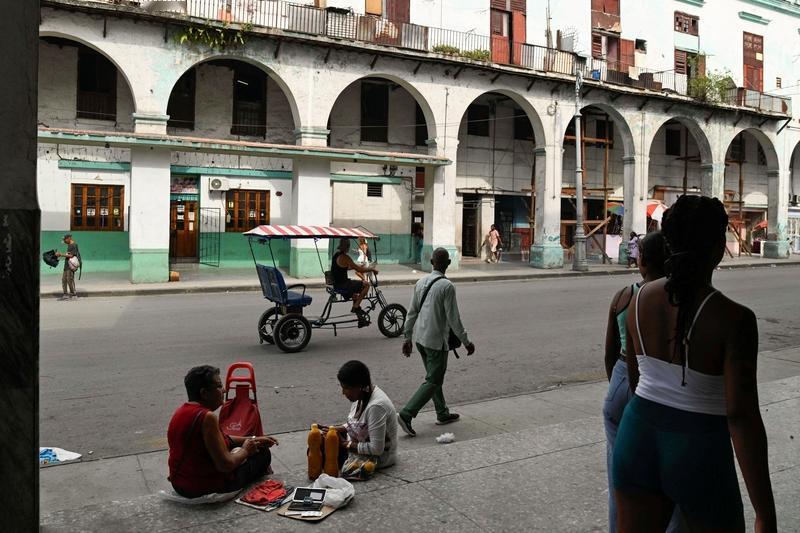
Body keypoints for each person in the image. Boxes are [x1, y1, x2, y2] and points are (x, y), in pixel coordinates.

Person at [613, 195, 776, 532]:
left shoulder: (638, 299)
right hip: (697, 448)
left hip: (637, 434)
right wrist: (764, 511)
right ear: (718, 248)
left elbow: (634, 378)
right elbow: (741, 416)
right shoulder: (735, 319)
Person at [603, 231, 685, 533]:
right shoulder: (678, 298)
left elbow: (610, 354)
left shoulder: (625, 296)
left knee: (619, 477)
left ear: (642, 261)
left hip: (622, 381)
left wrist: (620, 386)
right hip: (661, 385)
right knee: (669, 472)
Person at [167, 365, 279, 498]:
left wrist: (256, 438)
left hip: (180, 484)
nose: (224, 391)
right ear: (204, 393)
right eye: (219, 387)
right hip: (202, 487)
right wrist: (245, 450)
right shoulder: (207, 417)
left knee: (254, 447)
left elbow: (223, 438)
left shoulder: (181, 412)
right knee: (263, 454)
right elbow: (225, 465)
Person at [398, 247, 475, 437]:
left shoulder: (421, 282)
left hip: (420, 340)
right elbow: (453, 319)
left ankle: (442, 412)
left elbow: (412, 312)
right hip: (436, 343)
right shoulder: (447, 286)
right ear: (448, 263)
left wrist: (407, 337)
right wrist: (466, 341)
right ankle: (407, 414)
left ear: (432, 262)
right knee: (433, 379)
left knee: (434, 378)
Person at [318, 361, 398, 474]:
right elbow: (359, 424)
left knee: (329, 457)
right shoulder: (362, 396)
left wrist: (345, 444)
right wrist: (338, 428)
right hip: (361, 444)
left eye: (346, 388)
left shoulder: (376, 407)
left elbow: (377, 449)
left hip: (378, 459)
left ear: (359, 386)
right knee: (322, 443)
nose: (343, 392)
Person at [331, 238, 378, 323]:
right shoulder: (345, 257)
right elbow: (360, 269)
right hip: (344, 284)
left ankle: (360, 319)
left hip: (337, 284)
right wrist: (372, 269)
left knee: (355, 296)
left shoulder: (336, 255)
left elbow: (342, 267)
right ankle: (356, 307)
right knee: (366, 285)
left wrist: (353, 267)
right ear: (347, 247)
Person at [55, 233, 80, 300]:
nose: (64, 241)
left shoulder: (73, 245)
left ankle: (73, 294)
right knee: (64, 279)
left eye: (65, 240)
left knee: (70, 279)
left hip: (70, 265)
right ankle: (65, 294)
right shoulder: (69, 245)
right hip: (66, 265)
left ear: (69, 238)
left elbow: (71, 255)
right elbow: (68, 254)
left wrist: (61, 254)